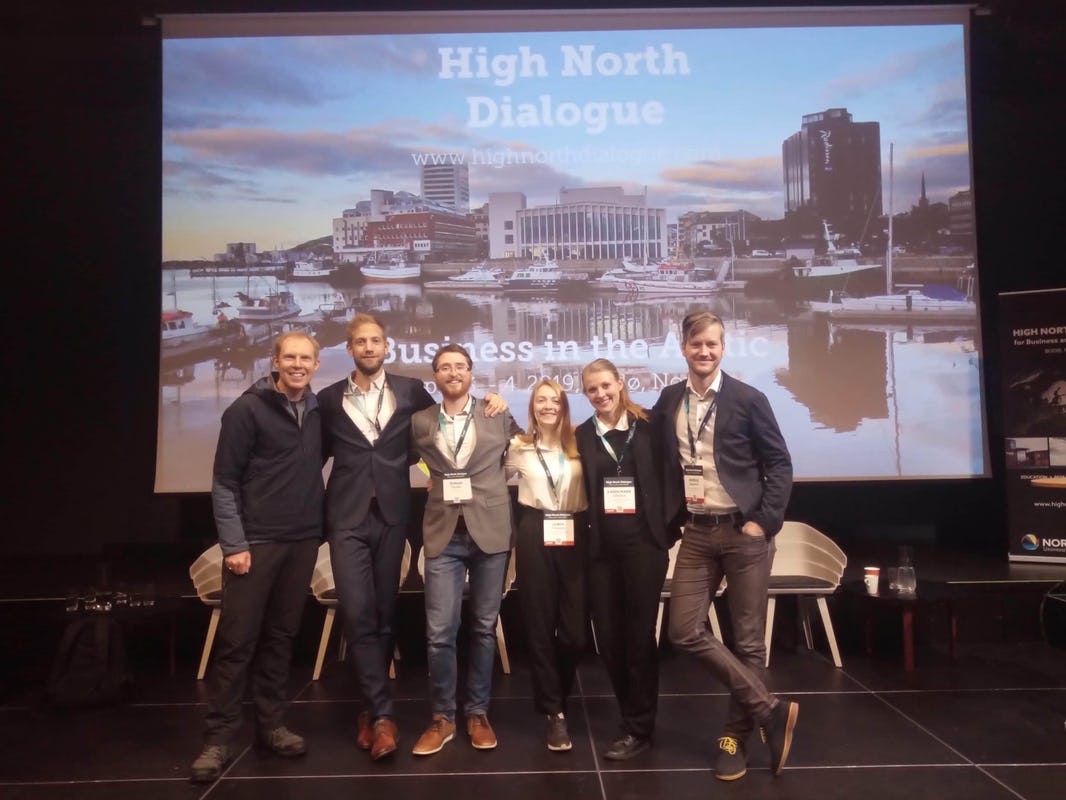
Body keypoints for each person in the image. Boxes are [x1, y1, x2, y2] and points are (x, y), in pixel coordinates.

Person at [318, 314, 507, 760]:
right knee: (364, 614)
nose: (368, 347)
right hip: (351, 517)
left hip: (394, 516)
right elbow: (312, 454)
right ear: (350, 349)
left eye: (376, 341)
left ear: (387, 346)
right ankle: (389, 713)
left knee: (386, 616)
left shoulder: (409, 393)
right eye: (360, 342)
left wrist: (433, 475)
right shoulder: (328, 400)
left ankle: (392, 712)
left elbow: (429, 449)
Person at [654, 310, 797, 781]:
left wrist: (764, 522)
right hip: (696, 531)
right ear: (683, 347)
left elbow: (779, 463)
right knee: (682, 631)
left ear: (723, 347)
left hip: (743, 531)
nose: (704, 351)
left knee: (749, 642)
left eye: (712, 344)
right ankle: (769, 710)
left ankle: (734, 739)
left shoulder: (748, 399)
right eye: (696, 344)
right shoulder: (670, 399)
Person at [190, 331, 324, 783]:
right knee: (237, 644)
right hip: (255, 544)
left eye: (306, 358)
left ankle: (271, 726)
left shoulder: (319, 409)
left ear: (317, 364)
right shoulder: (246, 409)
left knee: (280, 639)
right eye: (290, 357)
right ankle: (217, 740)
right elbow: (225, 481)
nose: (298, 365)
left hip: (302, 541)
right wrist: (235, 545)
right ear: (275, 360)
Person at [409, 344, 520, 756]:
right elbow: (415, 458)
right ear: (435, 376)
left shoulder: (496, 413)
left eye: (460, 367)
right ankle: (442, 717)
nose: (452, 373)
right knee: (439, 633)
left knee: (483, 627)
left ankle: (477, 712)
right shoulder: (421, 421)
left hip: (489, 530)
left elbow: (525, 449)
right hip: (443, 533)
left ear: (471, 373)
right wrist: (431, 475)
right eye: (444, 368)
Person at [576, 358, 670, 761]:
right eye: (592, 390)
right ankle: (629, 715)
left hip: (643, 549)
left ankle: (639, 726)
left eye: (605, 386)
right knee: (610, 640)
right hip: (600, 553)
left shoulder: (650, 426)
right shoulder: (581, 435)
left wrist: (666, 528)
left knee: (638, 637)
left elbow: (673, 477)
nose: (600, 395)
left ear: (620, 383)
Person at [505, 379, 588, 752]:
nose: (548, 405)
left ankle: (557, 692)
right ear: (533, 406)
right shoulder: (519, 447)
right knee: (539, 624)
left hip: (574, 529)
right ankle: (554, 712)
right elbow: (483, 474)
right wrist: (432, 476)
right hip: (535, 529)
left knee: (573, 632)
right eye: (541, 400)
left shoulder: (581, 443)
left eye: (555, 400)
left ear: (565, 404)